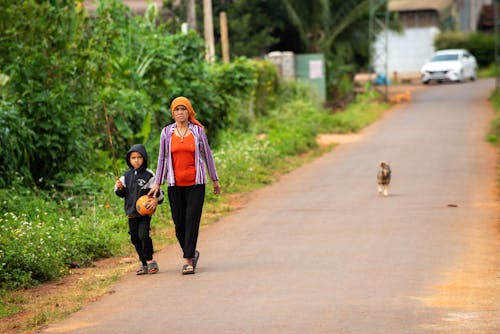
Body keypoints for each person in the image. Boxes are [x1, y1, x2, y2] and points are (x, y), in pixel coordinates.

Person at [148, 96, 220, 275]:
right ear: (172, 114)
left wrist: (215, 179)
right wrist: (158, 182)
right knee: (179, 223)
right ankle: (192, 252)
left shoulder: (198, 132)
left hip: (196, 183)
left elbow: (207, 155)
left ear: (189, 112)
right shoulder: (166, 133)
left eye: (183, 109)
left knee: (191, 221)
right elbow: (162, 158)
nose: (180, 113)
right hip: (175, 184)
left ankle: (188, 260)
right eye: (177, 110)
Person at [115, 144, 164, 275]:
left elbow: (158, 192)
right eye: (133, 158)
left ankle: (150, 260)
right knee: (134, 239)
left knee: (143, 235)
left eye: (139, 157)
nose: (136, 160)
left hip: (144, 213)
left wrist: (156, 198)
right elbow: (121, 194)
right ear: (129, 160)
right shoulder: (125, 176)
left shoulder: (149, 175)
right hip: (131, 213)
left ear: (144, 158)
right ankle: (143, 263)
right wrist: (120, 188)